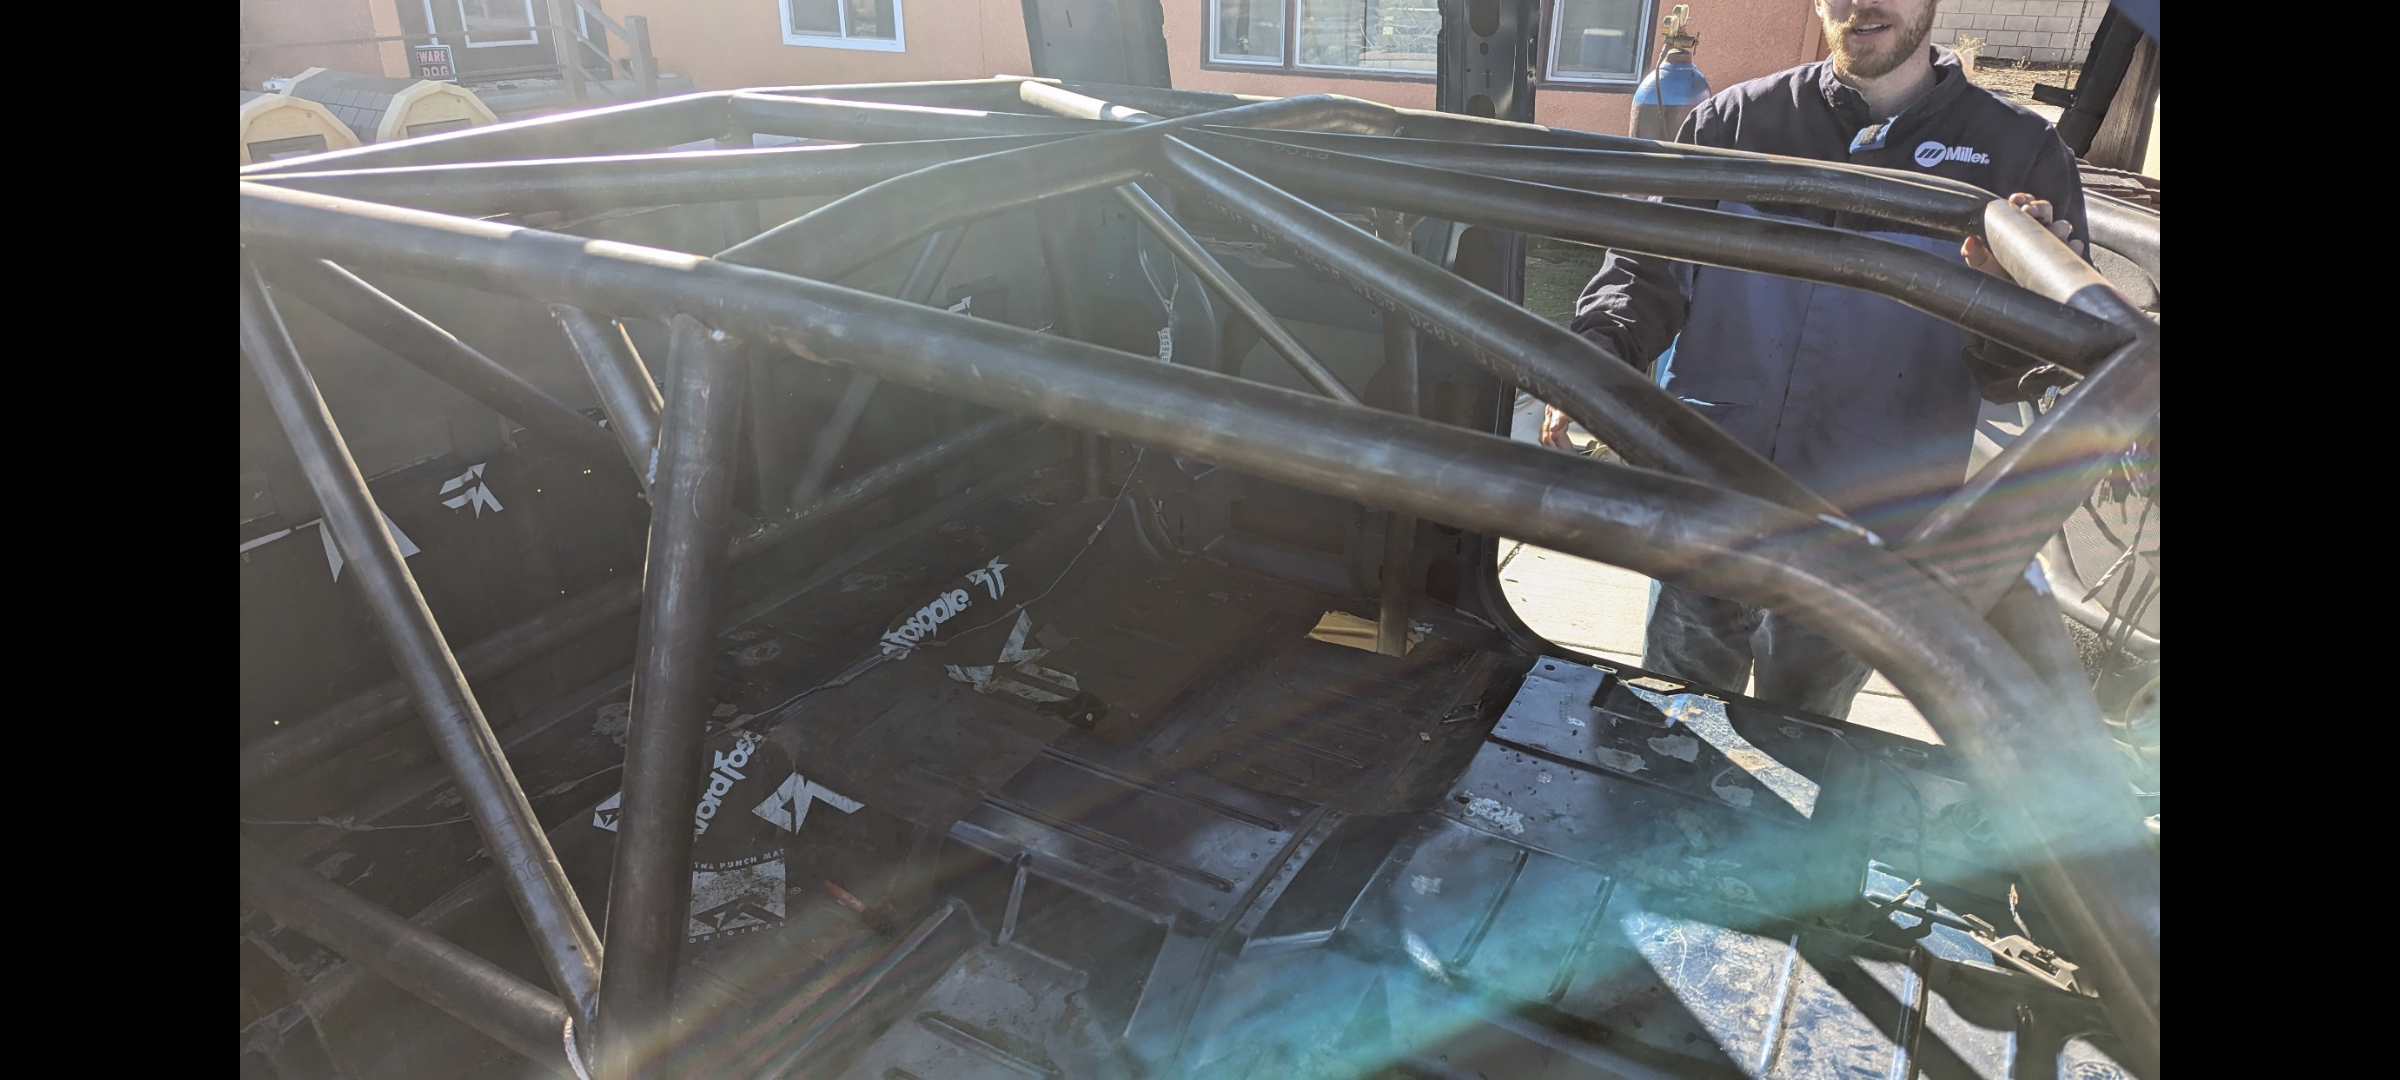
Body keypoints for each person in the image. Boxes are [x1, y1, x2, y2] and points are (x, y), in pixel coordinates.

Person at [1542, 0, 2087, 719]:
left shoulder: (2019, 152)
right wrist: (1593, 356)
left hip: (1868, 518)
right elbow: (1646, 265)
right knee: (1671, 711)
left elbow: (2035, 368)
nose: (1861, 4)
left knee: (1806, 729)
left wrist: (2004, 300)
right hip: (1712, 480)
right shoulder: (1734, 122)